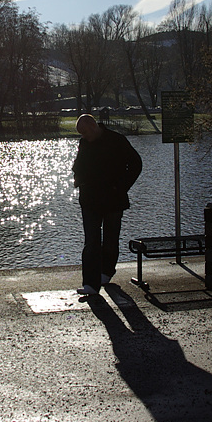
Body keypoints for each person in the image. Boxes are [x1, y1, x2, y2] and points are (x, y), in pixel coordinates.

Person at [71, 114, 142, 295]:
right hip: (90, 199)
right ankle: (90, 284)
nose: (84, 137)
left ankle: (106, 271)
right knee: (92, 241)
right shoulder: (85, 143)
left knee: (110, 239)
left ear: (94, 126)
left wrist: (121, 186)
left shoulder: (117, 140)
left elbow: (136, 164)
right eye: (82, 134)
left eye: (85, 133)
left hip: (113, 198)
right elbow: (78, 165)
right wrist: (78, 178)